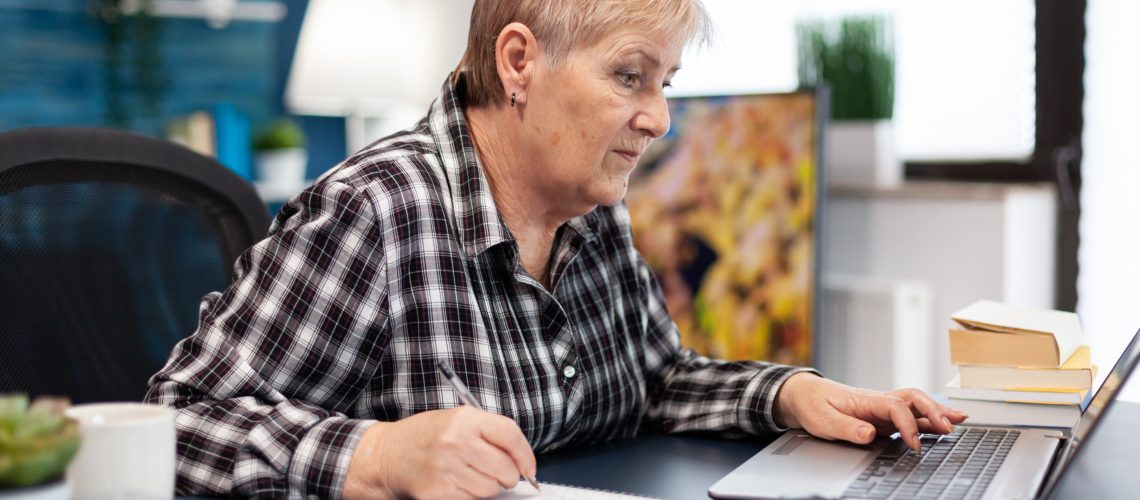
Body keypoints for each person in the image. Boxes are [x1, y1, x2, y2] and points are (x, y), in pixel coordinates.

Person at [145, 1, 967, 498]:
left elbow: (655, 382)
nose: (659, 118)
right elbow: (174, 423)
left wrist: (792, 397)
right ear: (518, 62)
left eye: (665, 83)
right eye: (629, 77)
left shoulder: (591, 209)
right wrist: (379, 453)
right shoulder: (378, 210)